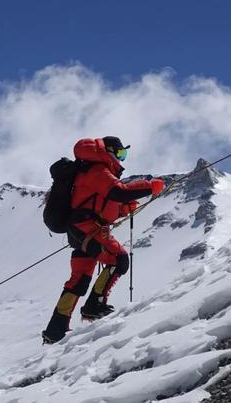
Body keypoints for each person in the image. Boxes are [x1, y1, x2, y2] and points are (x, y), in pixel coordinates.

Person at [42, 136, 164, 344]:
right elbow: (118, 192)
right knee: (118, 260)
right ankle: (94, 306)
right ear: (107, 151)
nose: (121, 158)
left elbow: (101, 202)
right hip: (88, 228)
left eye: (123, 154)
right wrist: (151, 186)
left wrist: (123, 209)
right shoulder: (98, 169)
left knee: (79, 279)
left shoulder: (91, 170)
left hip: (80, 229)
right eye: (120, 153)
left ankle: (55, 331)